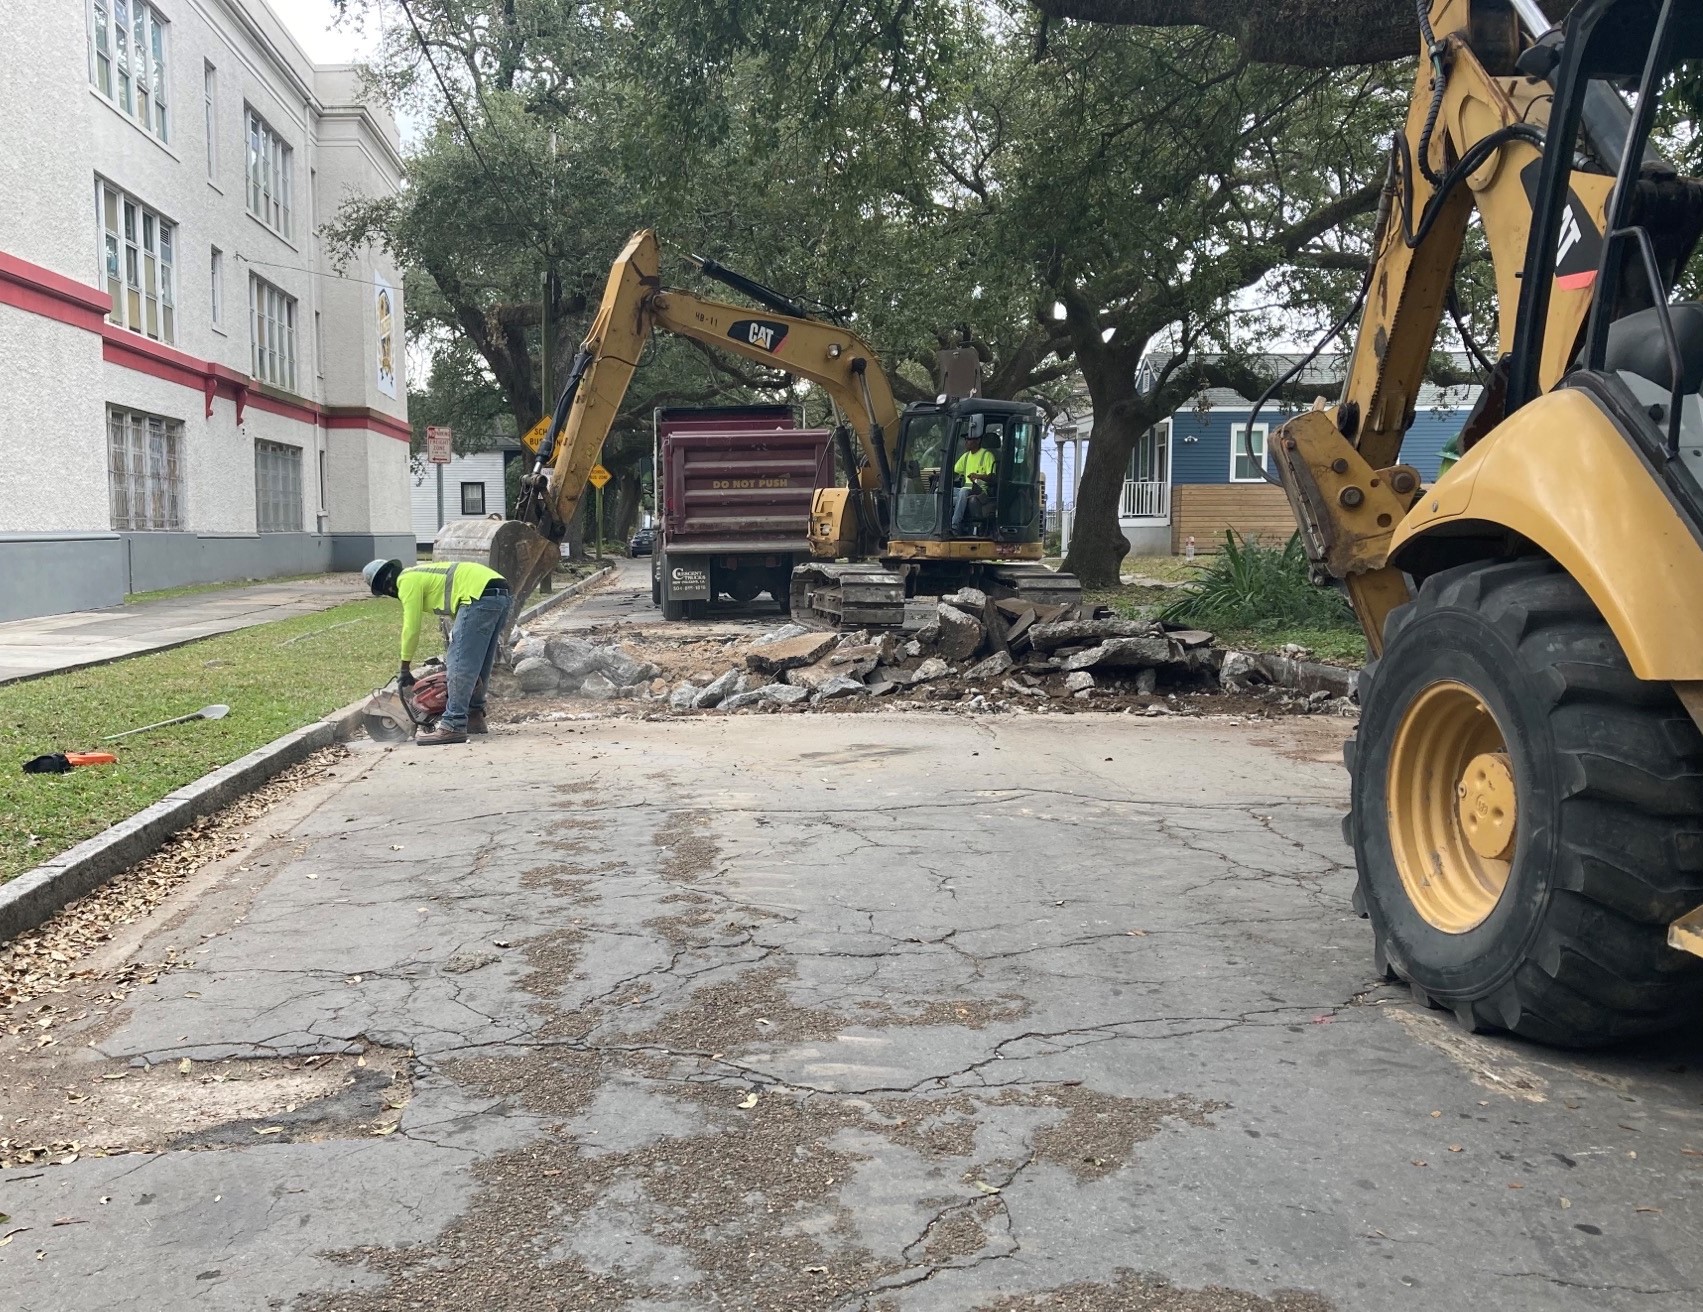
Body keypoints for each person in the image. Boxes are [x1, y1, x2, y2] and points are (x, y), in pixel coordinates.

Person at [363, 558, 509, 745]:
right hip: (499, 592)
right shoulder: (421, 574)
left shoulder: (406, 581)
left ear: (386, 587)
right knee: (480, 661)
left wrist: (404, 667)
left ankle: (453, 725)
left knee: (460, 662)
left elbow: (412, 628)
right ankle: (474, 716)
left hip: (479, 594)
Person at [951, 431, 996, 534]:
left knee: (963, 491)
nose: (966, 442)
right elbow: (954, 471)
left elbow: (992, 477)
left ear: (978, 440)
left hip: (981, 490)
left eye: (969, 439)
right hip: (966, 489)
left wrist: (979, 476)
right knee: (940, 492)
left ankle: (954, 526)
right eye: (966, 439)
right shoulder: (966, 456)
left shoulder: (987, 455)